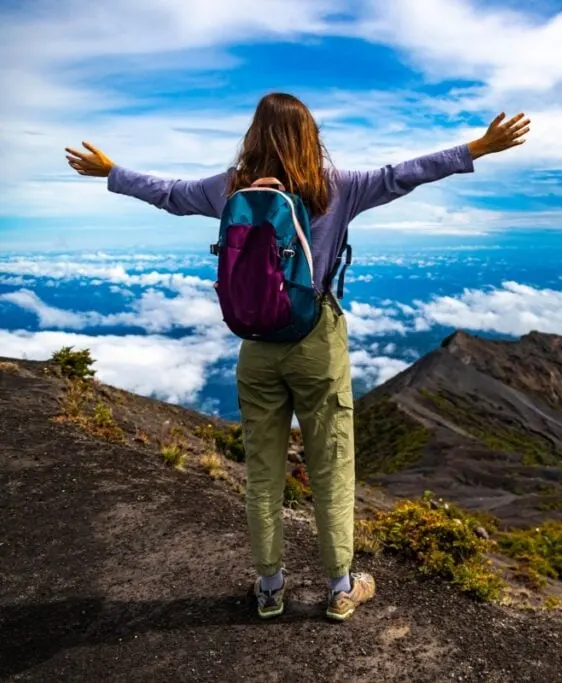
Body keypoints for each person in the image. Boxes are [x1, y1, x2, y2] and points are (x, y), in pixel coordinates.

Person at [65, 92, 530, 621]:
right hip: (317, 342)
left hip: (257, 346)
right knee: (331, 465)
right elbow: (405, 173)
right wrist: (479, 147)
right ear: (311, 135)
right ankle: (339, 587)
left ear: (254, 134)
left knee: (263, 472)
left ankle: (269, 588)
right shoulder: (337, 186)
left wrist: (112, 171)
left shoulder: (230, 188)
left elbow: (169, 193)